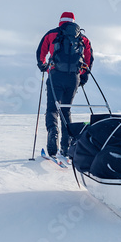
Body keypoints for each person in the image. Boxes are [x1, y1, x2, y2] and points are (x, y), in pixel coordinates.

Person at [36, 12, 94, 157]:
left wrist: (43, 66)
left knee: (52, 109)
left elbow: (40, 53)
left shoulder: (52, 34)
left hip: (55, 75)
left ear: (60, 21)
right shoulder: (82, 38)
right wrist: (83, 77)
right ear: (74, 22)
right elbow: (89, 59)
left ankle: (53, 132)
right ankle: (66, 145)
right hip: (73, 78)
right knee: (66, 111)